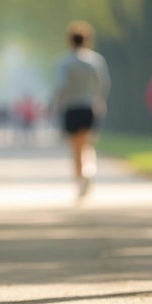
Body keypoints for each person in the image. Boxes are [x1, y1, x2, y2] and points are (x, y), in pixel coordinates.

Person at [52, 21, 110, 198]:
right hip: (89, 107)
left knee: (76, 148)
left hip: (71, 108)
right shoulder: (95, 60)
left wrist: (57, 102)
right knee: (87, 144)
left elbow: (62, 86)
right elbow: (103, 84)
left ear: (69, 41)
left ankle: (80, 181)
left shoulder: (64, 62)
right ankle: (90, 170)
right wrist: (99, 100)